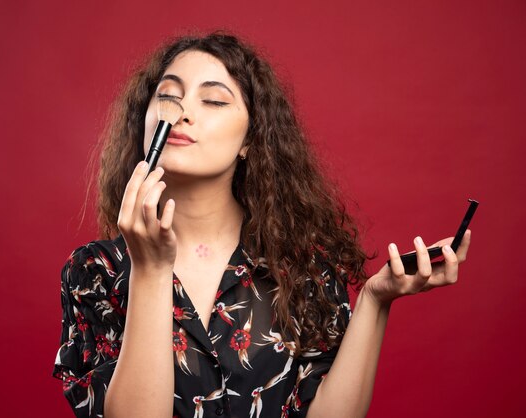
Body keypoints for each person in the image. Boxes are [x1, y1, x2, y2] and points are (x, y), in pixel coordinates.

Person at [52, 31, 472, 418]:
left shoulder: (302, 265)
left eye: (213, 101)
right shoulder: (93, 273)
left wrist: (375, 302)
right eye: (167, 96)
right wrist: (151, 268)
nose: (181, 114)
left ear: (251, 140)